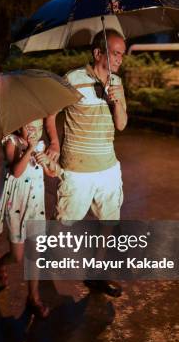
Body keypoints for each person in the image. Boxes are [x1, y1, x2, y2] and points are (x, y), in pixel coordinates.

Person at [53, 29, 128, 297]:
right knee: (62, 226)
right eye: (115, 53)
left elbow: (121, 124)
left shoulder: (117, 82)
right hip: (77, 169)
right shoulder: (72, 80)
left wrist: (115, 101)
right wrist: (53, 143)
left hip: (107, 167)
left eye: (122, 54)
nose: (120, 58)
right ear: (98, 53)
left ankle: (96, 274)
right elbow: (50, 113)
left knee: (109, 222)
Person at [0, 119, 60, 318]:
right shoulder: (10, 141)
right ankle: (0, 263)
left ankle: (33, 297)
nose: (34, 130)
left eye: (38, 127)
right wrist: (29, 149)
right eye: (29, 126)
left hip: (35, 206)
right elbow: (16, 171)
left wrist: (48, 163)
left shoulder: (40, 145)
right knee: (17, 256)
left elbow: (51, 173)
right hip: (16, 206)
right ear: (18, 125)